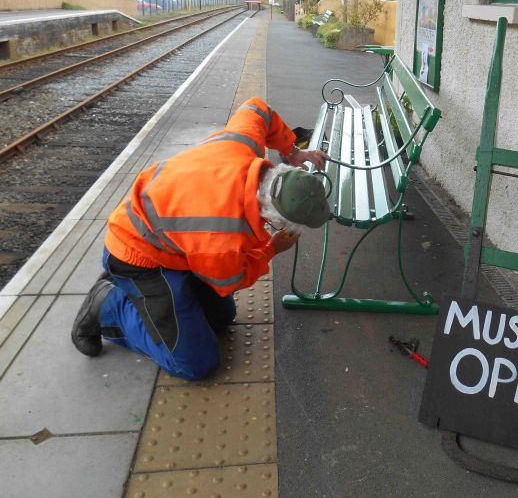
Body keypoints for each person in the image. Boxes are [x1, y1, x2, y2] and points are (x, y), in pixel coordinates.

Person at [71, 97, 329, 379]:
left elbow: (257, 109)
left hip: (169, 240)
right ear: (276, 220)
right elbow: (230, 280)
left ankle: (152, 299)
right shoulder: (221, 235)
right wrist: (270, 249)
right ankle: (108, 303)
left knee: (220, 319)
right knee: (196, 364)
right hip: (138, 257)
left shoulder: (242, 147)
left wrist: (291, 150)